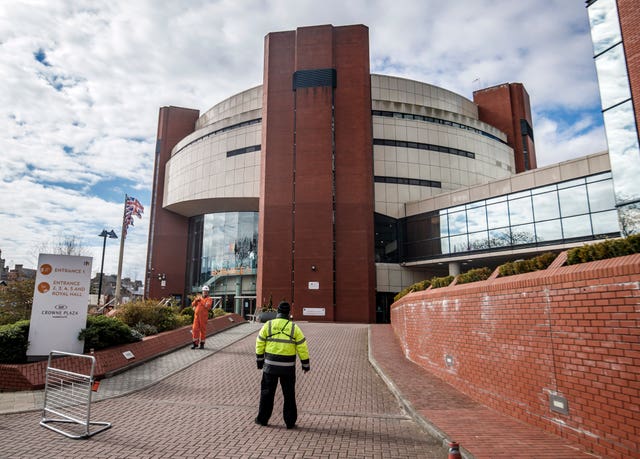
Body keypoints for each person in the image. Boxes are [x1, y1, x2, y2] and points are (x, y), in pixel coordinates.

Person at [254, 301, 310, 429]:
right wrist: (305, 364)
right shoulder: (294, 328)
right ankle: (290, 422)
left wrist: (259, 360)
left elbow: (260, 342)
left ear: (277, 312)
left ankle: (262, 419)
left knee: (267, 393)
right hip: (288, 368)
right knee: (289, 394)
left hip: (270, 366)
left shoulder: (268, 325)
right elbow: (302, 346)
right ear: (288, 313)